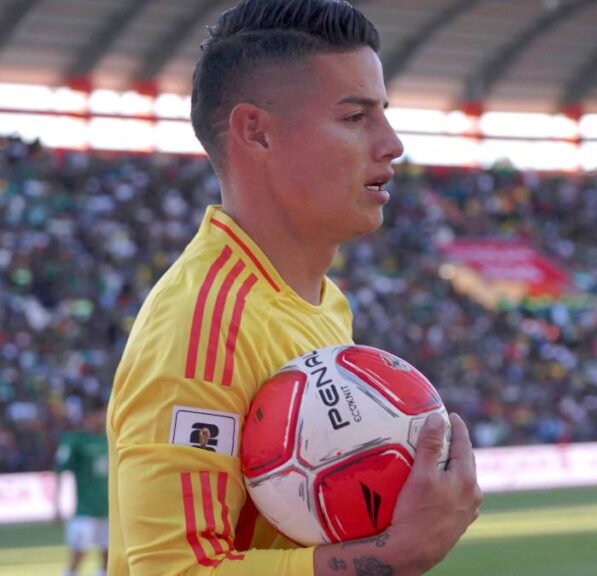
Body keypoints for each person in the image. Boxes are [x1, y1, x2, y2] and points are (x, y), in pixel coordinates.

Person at [106, 1, 481, 574]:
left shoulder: (325, 302)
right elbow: (173, 569)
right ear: (256, 132)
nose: (392, 143)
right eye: (355, 117)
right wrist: (394, 556)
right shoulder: (206, 323)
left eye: (382, 112)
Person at [55, 406, 109, 576]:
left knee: (109, 559)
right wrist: (56, 505)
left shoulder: (110, 439)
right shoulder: (76, 440)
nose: (103, 418)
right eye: (101, 414)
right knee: (78, 556)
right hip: (84, 511)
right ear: (89, 416)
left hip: (109, 510)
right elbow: (60, 470)